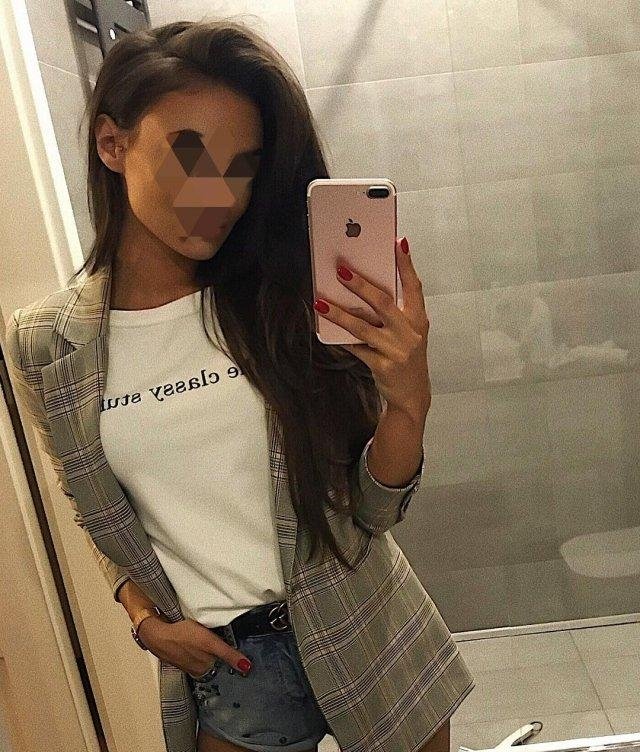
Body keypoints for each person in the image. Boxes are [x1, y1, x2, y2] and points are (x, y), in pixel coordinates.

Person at [4, 18, 475, 752]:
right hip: (233, 673)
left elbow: (373, 511)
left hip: (369, 632)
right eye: (188, 153)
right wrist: (141, 616)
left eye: (243, 165)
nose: (217, 194)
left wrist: (408, 403)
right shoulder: (44, 344)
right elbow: (93, 505)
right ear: (112, 144)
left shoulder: (282, 298)